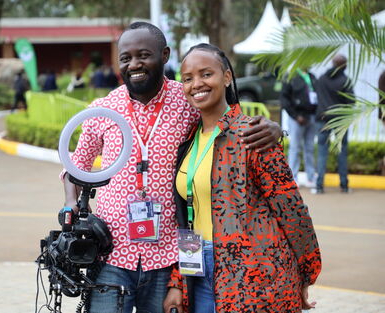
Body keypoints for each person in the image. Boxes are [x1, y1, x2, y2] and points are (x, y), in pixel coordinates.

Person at [62, 22, 282, 313]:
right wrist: (70, 202)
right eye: (126, 58)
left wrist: (275, 129)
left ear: (164, 55)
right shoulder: (103, 108)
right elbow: (74, 169)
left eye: (144, 55)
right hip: (111, 256)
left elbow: (229, 121)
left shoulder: (188, 100)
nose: (134, 64)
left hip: (170, 259)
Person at [163, 43, 321, 313]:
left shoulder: (253, 134)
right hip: (198, 268)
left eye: (206, 74)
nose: (196, 84)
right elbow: (188, 216)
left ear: (226, 77)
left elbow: (291, 210)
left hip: (253, 272)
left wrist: (306, 274)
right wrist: (178, 279)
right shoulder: (189, 140)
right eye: (187, 78)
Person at [313, 55, 355, 194]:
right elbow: (351, 103)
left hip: (323, 119)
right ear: (344, 65)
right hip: (340, 121)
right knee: (342, 151)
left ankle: (319, 186)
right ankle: (344, 186)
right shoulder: (345, 81)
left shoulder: (321, 79)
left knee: (322, 152)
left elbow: (317, 97)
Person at [280, 67, 318, 187]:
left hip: (311, 117)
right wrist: (295, 116)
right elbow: (284, 98)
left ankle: (311, 177)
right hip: (297, 119)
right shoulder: (290, 76)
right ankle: (293, 178)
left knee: (310, 148)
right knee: (295, 148)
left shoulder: (312, 77)